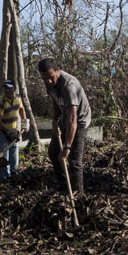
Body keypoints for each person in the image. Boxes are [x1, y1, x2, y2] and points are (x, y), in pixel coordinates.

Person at [37, 58, 92, 193]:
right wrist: (55, 121)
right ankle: (64, 187)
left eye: (50, 77)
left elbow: (73, 118)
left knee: (74, 161)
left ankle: (78, 194)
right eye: (44, 78)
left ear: (57, 71)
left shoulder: (69, 86)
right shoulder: (48, 81)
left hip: (79, 121)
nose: (48, 81)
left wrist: (67, 146)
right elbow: (55, 99)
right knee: (53, 153)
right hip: (65, 118)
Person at [0, 79, 28, 182]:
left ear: (14, 88)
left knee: (14, 157)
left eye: (10, 88)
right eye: (5, 88)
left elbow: (21, 109)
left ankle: (14, 177)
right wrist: (8, 131)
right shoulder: (0, 103)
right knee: (4, 159)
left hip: (14, 133)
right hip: (1, 134)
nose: (7, 91)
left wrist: (24, 124)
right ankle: (4, 180)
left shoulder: (18, 98)